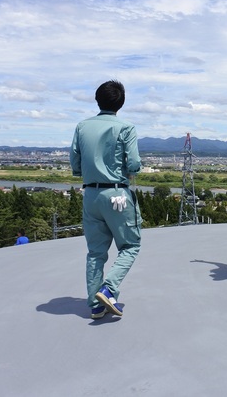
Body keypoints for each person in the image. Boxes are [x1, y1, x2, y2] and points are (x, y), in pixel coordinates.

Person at [69, 80, 142, 319]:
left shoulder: (82, 126)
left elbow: (75, 165)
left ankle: (96, 305)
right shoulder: (126, 127)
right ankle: (108, 289)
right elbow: (133, 164)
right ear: (120, 103)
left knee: (95, 253)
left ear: (97, 100)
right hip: (117, 194)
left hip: (90, 194)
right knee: (130, 245)